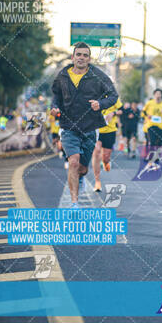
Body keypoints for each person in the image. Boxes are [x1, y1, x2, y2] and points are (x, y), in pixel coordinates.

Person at [51, 42, 118, 208]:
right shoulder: (63, 75)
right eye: (78, 54)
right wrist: (54, 107)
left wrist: (100, 104)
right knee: (73, 162)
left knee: (83, 168)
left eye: (85, 55)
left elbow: (113, 95)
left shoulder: (97, 75)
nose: (81, 58)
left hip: (90, 127)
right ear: (73, 57)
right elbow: (56, 95)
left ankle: (81, 177)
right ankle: (75, 202)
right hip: (68, 126)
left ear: (89, 59)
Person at [92, 98, 123, 192]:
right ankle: (97, 181)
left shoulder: (113, 97)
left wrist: (113, 113)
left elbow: (122, 110)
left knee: (105, 157)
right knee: (96, 152)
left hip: (110, 131)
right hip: (97, 130)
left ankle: (106, 162)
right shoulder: (94, 94)